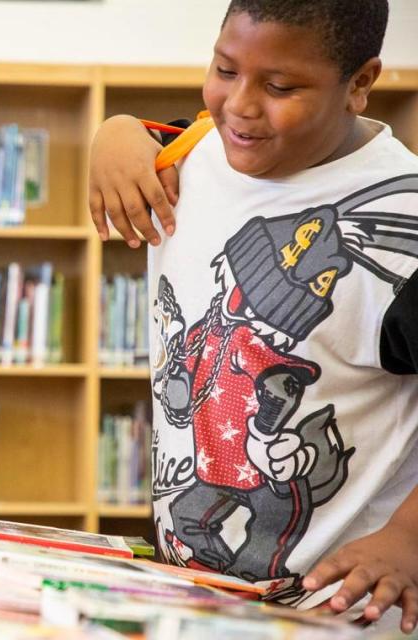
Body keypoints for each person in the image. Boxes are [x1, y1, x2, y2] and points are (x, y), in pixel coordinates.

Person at [88, 1, 418, 633]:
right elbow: (155, 136)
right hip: (192, 606)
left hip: (342, 617)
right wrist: (114, 131)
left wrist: (408, 538)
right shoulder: (190, 154)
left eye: (280, 86)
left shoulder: (398, 230)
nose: (238, 104)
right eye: (224, 68)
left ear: (360, 83)